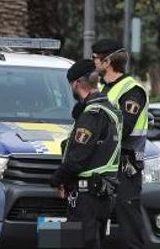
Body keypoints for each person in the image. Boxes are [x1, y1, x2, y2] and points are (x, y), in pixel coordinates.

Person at [50, 60, 122, 249]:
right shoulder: (110, 110)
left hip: (86, 196)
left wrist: (56, 180)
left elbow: (77, 159)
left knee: (74, 243)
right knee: (90, 242)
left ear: (76, 84)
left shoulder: (91, 115)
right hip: (101, 194)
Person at [92, 39, 148, 249]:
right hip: (99, 166)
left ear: (107, 62)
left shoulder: (132, 90)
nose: (93, 62)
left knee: (129, 224)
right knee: (92, 222)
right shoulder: (101, 88)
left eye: (95, 58)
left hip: (125, 168)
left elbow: (122, 129)